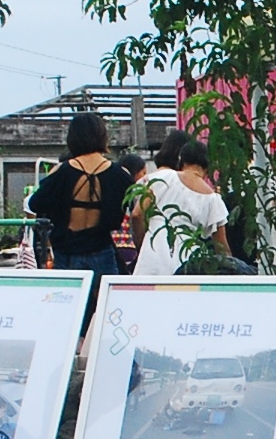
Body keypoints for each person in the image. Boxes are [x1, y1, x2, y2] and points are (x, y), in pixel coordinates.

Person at [24, 111, 134, 331]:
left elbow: (35, 204)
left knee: (66, 314)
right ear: (102, 136)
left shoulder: (62, 172)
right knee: (109, 313)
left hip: (66, 253)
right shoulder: (119, 173)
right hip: (102, 250)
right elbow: (132, 204)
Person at [133, 137, 232, 275]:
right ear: (208, 166)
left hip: (152, 256)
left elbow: (137, 214)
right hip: (187, 262)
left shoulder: (162, 177)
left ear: (181, 160)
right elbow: (222, 248)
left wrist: (141, 243)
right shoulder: (214, 199)